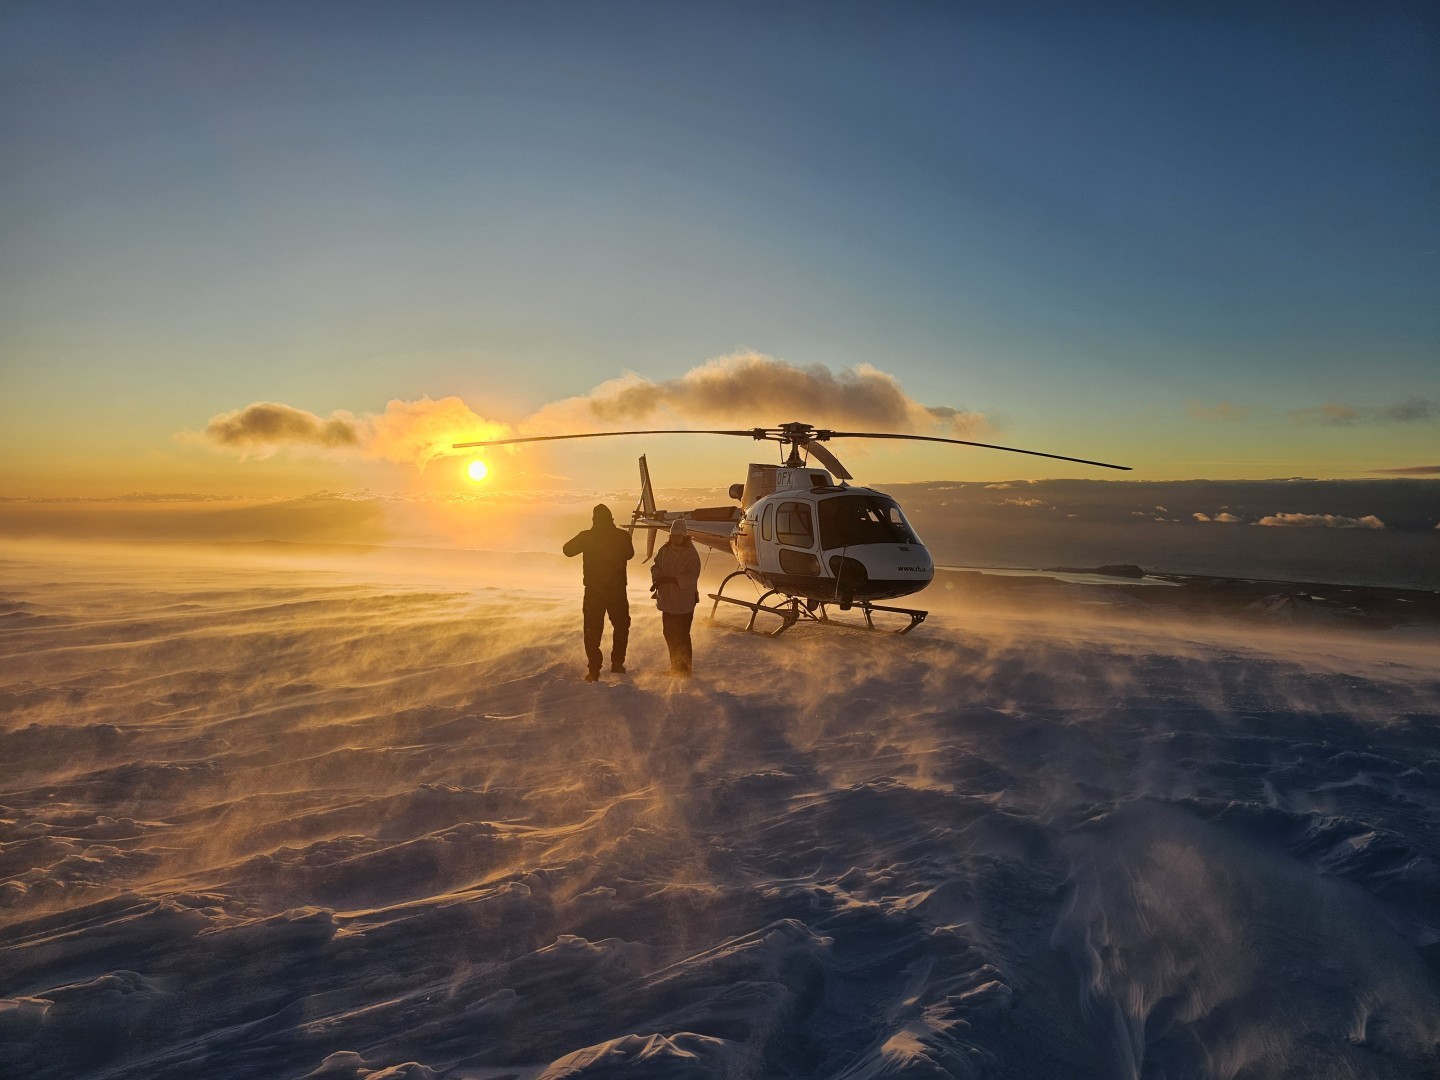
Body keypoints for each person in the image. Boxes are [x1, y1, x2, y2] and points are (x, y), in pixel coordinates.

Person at [562, 504, 634, 682]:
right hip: (617, 590)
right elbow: (630, 554)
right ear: (611, 518)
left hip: (594, 591)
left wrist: (587, 538)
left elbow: (567, 550)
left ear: (594, 519)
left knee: (592, 630)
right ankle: (617, 663)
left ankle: (594, 668)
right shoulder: (621, 536)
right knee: (621, 626)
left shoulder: (588, 536)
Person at [650, 518, 702, 676]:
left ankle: (685, 669)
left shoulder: (691, 554)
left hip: (684, 602)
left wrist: (673, 580)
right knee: (669, 634)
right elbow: (655, 566)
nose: (675, 539)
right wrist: (658, 577)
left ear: (684, 536)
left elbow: (692, 575)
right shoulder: (664, 550)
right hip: (667, 601)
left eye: (678, 536)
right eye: (673, 536)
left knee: (682, 636)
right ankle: (675, 667)